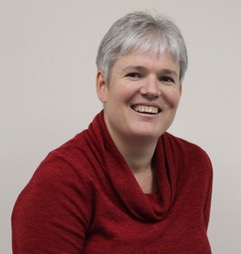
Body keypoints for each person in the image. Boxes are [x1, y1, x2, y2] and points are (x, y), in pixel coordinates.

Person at [12, 11, 213, 253]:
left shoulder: (195, 166)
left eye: (166, 78)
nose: (151, 90)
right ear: (103, 85)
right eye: (134, 74)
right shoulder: (59, 181)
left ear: (179, 91)